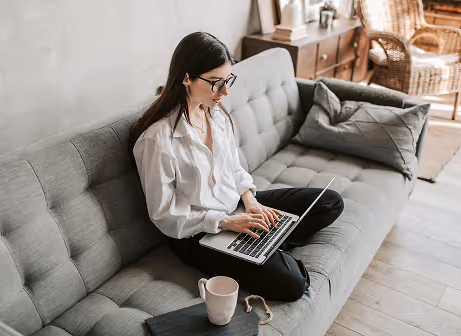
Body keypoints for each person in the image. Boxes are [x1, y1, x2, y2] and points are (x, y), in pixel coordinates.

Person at [128, 32, 344, 302]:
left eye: (227, 80)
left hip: (236, 207)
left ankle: (265, 242)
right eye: (216, 83)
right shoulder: (157, 140)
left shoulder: (214, 113)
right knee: (293, 285)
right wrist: (225, 222)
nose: (226, 91)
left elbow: (234, 167)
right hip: (198, 233)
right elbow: (164, 215)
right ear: (186, 78)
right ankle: (266, 246)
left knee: (330, 203)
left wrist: (251, 201)